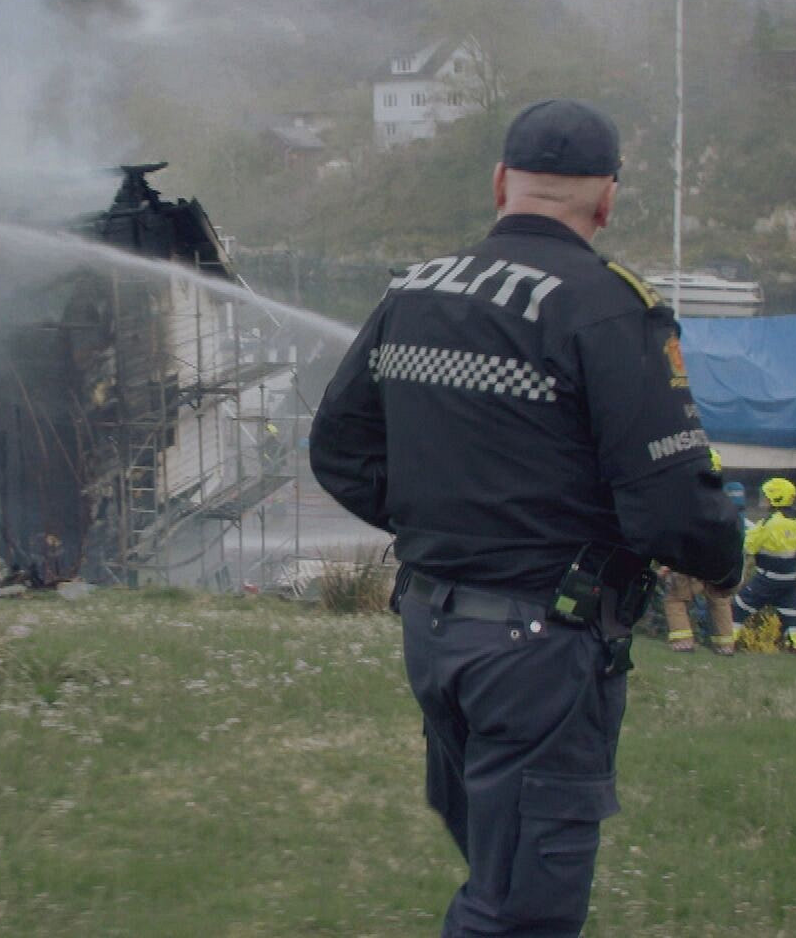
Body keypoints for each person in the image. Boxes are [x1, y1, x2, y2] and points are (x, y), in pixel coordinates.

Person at [309, 99, 744, 938]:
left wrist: (446, 527)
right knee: (520, 914)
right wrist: (724, 566)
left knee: (498, 872)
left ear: (502, 183)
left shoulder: (418, 290)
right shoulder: (611, 309)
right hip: (540, 652)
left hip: (435, 631)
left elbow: (339, 451)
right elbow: (670, 504)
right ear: (608, 200)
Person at [662, 450, 738, 655]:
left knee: (675, 599)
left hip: (689, 560)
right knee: (719, 600)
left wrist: (668, 561)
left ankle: (683, 642)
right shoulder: (724, 499)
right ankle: (725, 646)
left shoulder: (686, 499)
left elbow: (678, 530)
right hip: (716, 561)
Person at [731, 476, 796, 651]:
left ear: (775, 498)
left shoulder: (769, 523)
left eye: (767, 496)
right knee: (791, 616)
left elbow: (749, 547)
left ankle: (727, 642)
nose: (764, 499)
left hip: (767, 579)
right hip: (791, 579)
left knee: (738, 607)